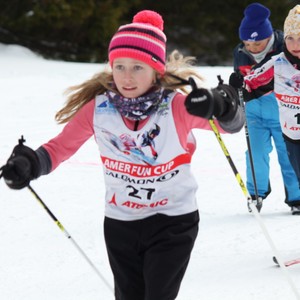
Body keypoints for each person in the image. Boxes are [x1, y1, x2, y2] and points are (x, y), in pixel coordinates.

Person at [0, 10, 244, 300]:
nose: (127, 77)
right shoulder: (99, 109)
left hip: (173, 221)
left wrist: (221, 103)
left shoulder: (175, 107)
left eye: (138, 67)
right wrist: (29, 164)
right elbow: (59, 148)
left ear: (156, 70)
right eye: (120, 67)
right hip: (121, 223)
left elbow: (231, 126)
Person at [229, 2, 300, 213]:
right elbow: (242, 82)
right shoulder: (240, 52)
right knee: (255, 152)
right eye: (247, 44)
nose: (251, 48)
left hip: (281, 113)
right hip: (253, 111)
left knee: (288, 156)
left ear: (269, 38)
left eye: (257, 43)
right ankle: (256, 192)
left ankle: (296, 196)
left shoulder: (283, 50)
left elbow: (277, 78)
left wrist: (255, 88)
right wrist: (234, 89)